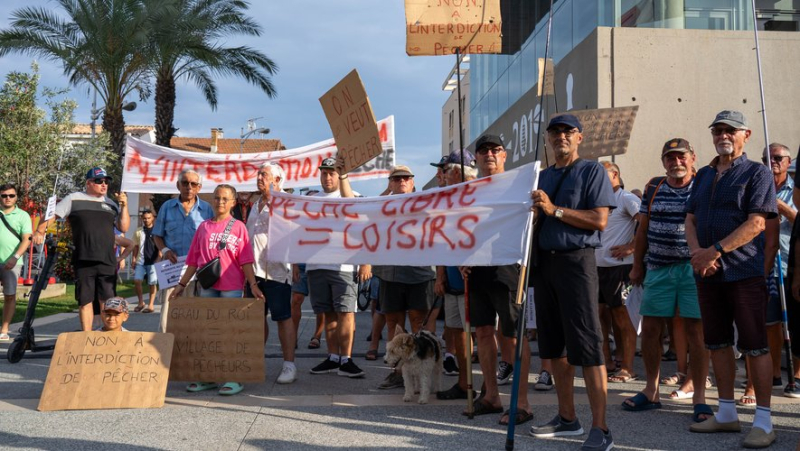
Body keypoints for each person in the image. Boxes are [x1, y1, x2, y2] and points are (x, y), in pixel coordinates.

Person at [686, 110, 778, 448]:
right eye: (718, 130)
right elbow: (691, 219)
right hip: (707, 272)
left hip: (744, 271)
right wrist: (698, 254)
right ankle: (726, 413)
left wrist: (715, 251)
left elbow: (757, 223)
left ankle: (765, 421)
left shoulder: (757, 173)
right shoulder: (705, 174)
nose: (723, 135)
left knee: (755, 344)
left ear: (746, 135)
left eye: (731, 130)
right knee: (717, 343)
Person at [529, 114, 616, 450]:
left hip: (577, 263)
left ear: (579, 137)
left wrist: (555, 211)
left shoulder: (592, 170)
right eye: (555, 132)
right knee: (554, 349)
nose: (561, 137)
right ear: (549, 138)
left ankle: (601, 428)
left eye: (568, 131)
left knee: (589, 345)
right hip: (543, 264)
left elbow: (600, 220)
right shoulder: (541, 175)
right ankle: (568, 419)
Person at [623, 138, 710, 423]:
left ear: (692, 157)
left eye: (681, 157)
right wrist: (637, 265)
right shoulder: (654, 186)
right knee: (649, 330)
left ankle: (699, 397)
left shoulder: (704, 184)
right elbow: (643, 229)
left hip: (691, 269)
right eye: (670, 158)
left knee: (696, 333)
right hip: (657, 268)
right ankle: (651, 390)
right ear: (663, 162)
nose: (676, 163)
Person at [461, 135, 532, 426]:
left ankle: (522, 402)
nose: (489, 154)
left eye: (495, 149)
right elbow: (459, 226)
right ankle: (491, 395)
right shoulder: (468, 190)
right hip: (477, 268)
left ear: (504, 154)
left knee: (512, 335)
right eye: (483, 150)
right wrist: (460, 256)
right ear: (476, 157)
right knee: (483, 332)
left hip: (508, 266)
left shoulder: (520, 183)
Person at [171, 184, 264, 396]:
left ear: (233, 202)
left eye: (225, 199)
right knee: (208, 332)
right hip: (207, 286)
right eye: (216, 198)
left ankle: (233, 377)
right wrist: (181, 285)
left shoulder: (239, 227)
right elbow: (193, 260)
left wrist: (253, 285)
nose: (220, 202)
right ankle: (208, 376)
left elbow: (246, 260)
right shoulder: (203, 227)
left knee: (229, 332)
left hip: (231, 287)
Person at [33, 167, 130, 331]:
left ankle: (107, 336)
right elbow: (53, 215)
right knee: (85, 301)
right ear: (89, 183)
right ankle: (86, 337)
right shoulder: (74, 199)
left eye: (106, 182)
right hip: (84, 258)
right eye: (99, 181)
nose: (104, 185)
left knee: (107, 302)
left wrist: (124, 206)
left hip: (107, 259)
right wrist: (39, 231)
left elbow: (123, 226)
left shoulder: (111, 204)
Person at [372, 165, 436, 390]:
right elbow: (366, 213)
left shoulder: (424, 201)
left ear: (412, 182)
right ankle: (397, 372)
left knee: (420, 325)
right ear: (390, 183)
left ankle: (423, 371)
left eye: (405, 178)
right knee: (394, 325)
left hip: (419, 274)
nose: (401, 181)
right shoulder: (383, 205)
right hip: (390, 274)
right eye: (396, 178)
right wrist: (385, 193)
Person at [307, 157, 369, 378]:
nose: (328, 177)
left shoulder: (354, 197)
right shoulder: (310, 198)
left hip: (343, 265)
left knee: (346, 313)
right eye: (324, 173)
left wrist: (365, 261)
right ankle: (333, 358)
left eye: (332, 173)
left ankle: (347, 359)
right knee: (328, 314)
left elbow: (361, 225)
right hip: (316, 265)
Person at [246, 162, 298, 384]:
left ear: (277, 180)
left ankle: (289, 365)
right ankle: (256, 359)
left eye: (264, 175)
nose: (259, 177)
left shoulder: (286, 202)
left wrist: (295, 263)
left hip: (277, 271)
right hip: (254, 272)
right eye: (258, 174)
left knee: (282, 317)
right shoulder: (255, 203)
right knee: (257, 318)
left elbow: (296, 232)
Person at [436, 150, 479, 401]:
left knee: (477, 333)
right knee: (456, 332)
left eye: (445, 170)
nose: (441, 174)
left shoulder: (475, 196)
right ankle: (464, 382)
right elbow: (441, 239)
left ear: (456, 172)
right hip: (452, 278)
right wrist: (440, 273)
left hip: (471, 278)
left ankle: (479, 384)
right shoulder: (445, 200)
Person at [152, 169, 213, 332]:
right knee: (168, 313)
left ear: (199, 187)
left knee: (193, 313)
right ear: (178, 185)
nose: (189, 187)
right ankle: (164, 349)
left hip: (197, 271)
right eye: (185, 183)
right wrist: (165, 250)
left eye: (193, 184)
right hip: (172, 268)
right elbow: (157, 235)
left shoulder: (207, 210)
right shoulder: (167, 207)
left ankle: (190, 351)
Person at [597, 162, 639, 384]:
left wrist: (632, 246)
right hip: (597, 267)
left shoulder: (626, 198)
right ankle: (608, 361)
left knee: (623, 318)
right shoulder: (597, 198)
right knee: (601, 316)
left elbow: (645, 222)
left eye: (601, 173)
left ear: (615, 175)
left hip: (620, 268)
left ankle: (628, 368)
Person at [0, 183, 32, 341]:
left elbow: (26, 239)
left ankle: (4, 329)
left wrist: (15, 257)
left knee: (9, 296)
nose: (8, 198)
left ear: (16, 197)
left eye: (11, 195)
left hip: (12, 262)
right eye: (4, 195)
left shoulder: (23, 215)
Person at [132, 208, 160, 313]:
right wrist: (134, 258)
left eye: (148, 218)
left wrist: (159, 258)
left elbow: (160, 246)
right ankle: (141, 302)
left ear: (153, 218)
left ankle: (151, 304)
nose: (146, 220)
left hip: (153, 261)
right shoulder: (138, 231)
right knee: (137, 280)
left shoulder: (157, 230)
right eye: (144, 218)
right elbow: (135, 246)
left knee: (152, 283)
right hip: (141, 261)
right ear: (141, 219)